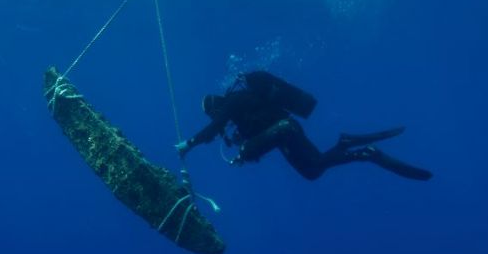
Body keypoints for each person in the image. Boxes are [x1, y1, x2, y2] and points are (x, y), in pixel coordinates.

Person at [176, 71, 432, 180]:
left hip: (286, 130)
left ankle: (364, 152)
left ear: (215, 107)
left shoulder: (233, 102)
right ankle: (354, 148)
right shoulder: (239, 107)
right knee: (313, 171)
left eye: (212, 114)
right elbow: (224, 129)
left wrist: (188, 144)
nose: (215, 120)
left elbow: (214, 128)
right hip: (287, 131)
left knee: (250, 150)